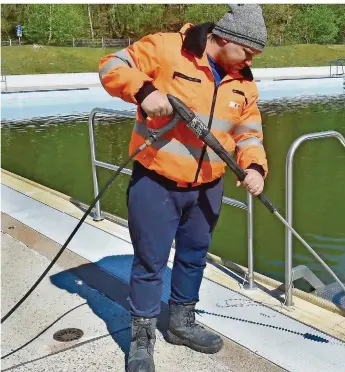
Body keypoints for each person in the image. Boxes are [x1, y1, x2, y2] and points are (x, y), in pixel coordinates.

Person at [98, 4, 268, 372]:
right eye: (248, 53)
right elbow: (111, 65)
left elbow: (248, 132)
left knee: (194, 257)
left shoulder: (244, 82)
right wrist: (143, 91)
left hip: (208, 187)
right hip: (156, 182)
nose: (250, 61)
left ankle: (181, 323)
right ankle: (141, 337)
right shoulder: (166, 48)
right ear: (225, 39)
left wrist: (255, 166)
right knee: (149, 262)